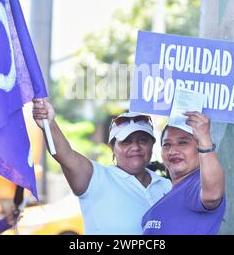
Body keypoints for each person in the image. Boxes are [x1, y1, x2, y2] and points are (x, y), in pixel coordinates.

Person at [32, 99, 171, 234]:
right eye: (126, 141)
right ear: (112, 147)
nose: (135, 147)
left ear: (152, 145)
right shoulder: (97, 178)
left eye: (142, 140)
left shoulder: (167, 186)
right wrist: (49, 124)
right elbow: (65, 156)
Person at [141, 111, 225, 235]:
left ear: (199, 147)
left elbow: (212, 196)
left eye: (183, 142)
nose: (173, 150)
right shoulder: (168, 195)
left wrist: (205, 140)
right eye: (167, 144)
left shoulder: (197, 185)